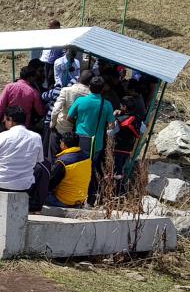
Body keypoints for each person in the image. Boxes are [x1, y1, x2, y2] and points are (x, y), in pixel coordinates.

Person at [68, 75, 114, 204]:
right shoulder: (107, 105)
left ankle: (73, 195)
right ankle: (89, 197)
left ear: (89, 87)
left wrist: (79, 123)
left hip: (79, 139)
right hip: (96, 143)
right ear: (103, 89)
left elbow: (69, 117)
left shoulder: (80, 101)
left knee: (76, 167)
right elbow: (112, 125)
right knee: (91, 170)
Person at [0, 64, 45, 131]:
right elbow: (40, 111)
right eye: (34, 77)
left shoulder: (9, 87)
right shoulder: (33, 92)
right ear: (30, 78)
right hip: (23, 126)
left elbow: (0, 107)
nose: (35, 79)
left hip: (7, 124)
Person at [50, 69, 91, 155]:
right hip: (78, 133)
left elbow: (56, 110)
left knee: (54, 156)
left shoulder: (66, 90)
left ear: (79, 78)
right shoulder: (90, 95)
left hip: (61, 129)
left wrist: (53, 124)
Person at [45, 131, 90, 208]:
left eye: (61, 142)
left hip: (63, 201)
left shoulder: (62, 162)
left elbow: (50, 184)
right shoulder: (87, 158)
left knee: (40, 190)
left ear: (64, 144)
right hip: (80, 200)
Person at [108, 95, 143, 191]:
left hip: (118, 148)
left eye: (121, 105)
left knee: (117, 171)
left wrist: (113, 117)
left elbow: (111, 133)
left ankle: (118, 190)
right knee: (124, 169)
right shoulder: (138, 118)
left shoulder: (120, 119)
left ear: (124, 107)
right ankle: (123, 187)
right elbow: (143, 130)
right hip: (130, 149)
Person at [39, 19, 64, 90]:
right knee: (43, 77)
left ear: (57, 27)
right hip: (44, 60)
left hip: (54, 62)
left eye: (50, 26)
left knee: (51, 78)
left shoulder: (62, 36)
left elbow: (64, 50)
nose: (48, 28)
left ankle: (51, 93)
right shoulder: (47, 35)